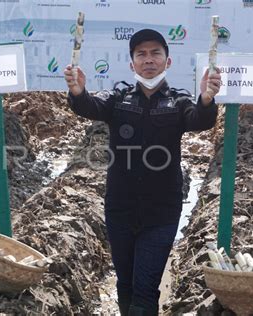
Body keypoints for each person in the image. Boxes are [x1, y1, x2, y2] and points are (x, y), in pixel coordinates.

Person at [64, 29, 221, 316]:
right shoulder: (118, 97)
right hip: (120, 208)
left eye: (155, 53)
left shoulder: (178, 100)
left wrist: (207, 99)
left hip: (161, 212)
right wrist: (78, 92)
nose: (149, 59)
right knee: (125, 284)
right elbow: (92, 106)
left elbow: (200, 120)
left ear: (168, 61)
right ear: (132, 63)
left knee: (145, 287)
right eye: (141, 54)